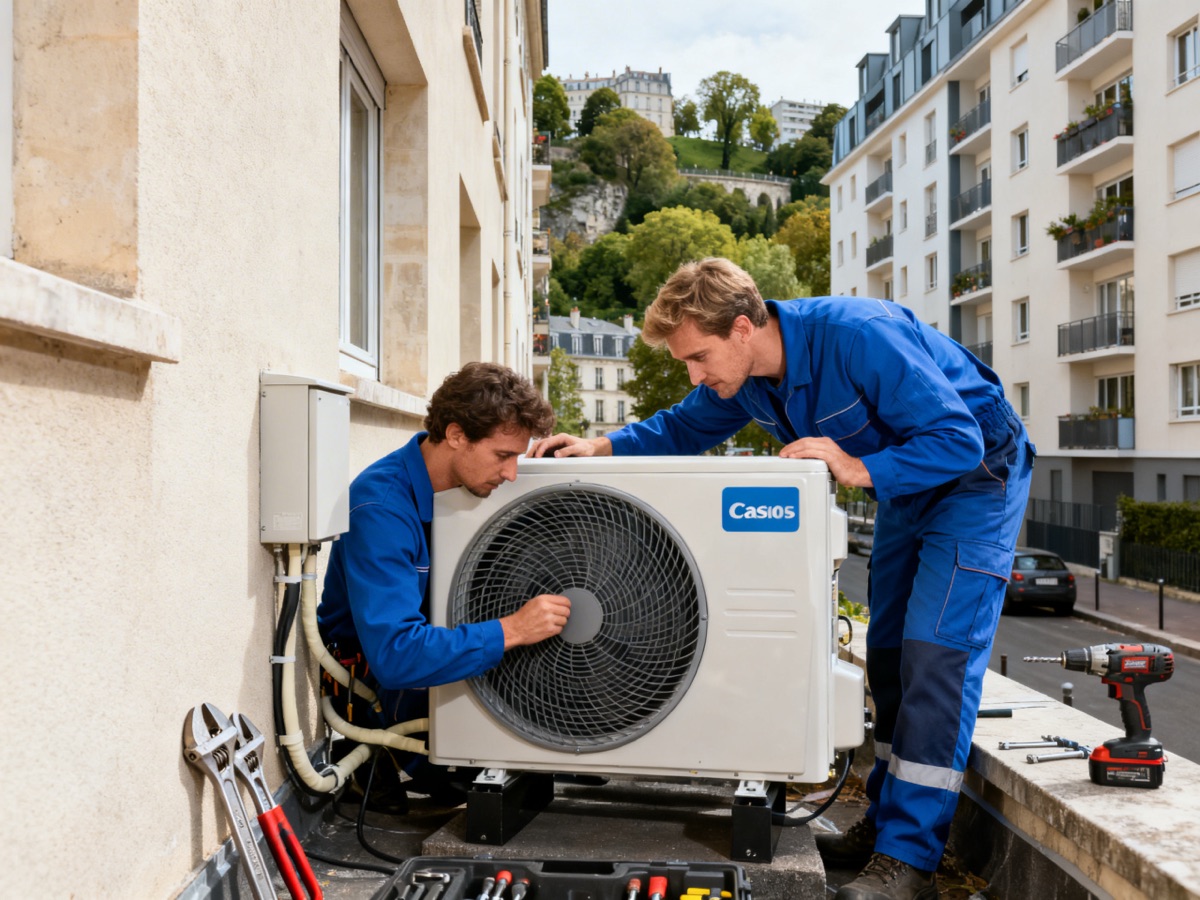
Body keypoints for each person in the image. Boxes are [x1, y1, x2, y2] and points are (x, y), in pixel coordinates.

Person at [531, 258, 1033, 900]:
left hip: (976, 480)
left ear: (743, 327)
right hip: (906, 489)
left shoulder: (859, 336)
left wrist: (857, 466)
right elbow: (683, 425)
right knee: (886, 656)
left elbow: (958, 439)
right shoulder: (746, 378)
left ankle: (910, 863)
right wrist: (601, 448)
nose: (694, 375)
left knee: (935, 657)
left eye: (699, 357)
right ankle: (885, 825)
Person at [318, 362, 571, 779]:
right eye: (503, 456)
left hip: (440, 654)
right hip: (384, 692)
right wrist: (514, 630)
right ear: (456, 435)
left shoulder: (461, 485)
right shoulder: (382, 509)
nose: (511, 474)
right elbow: (396, 655)